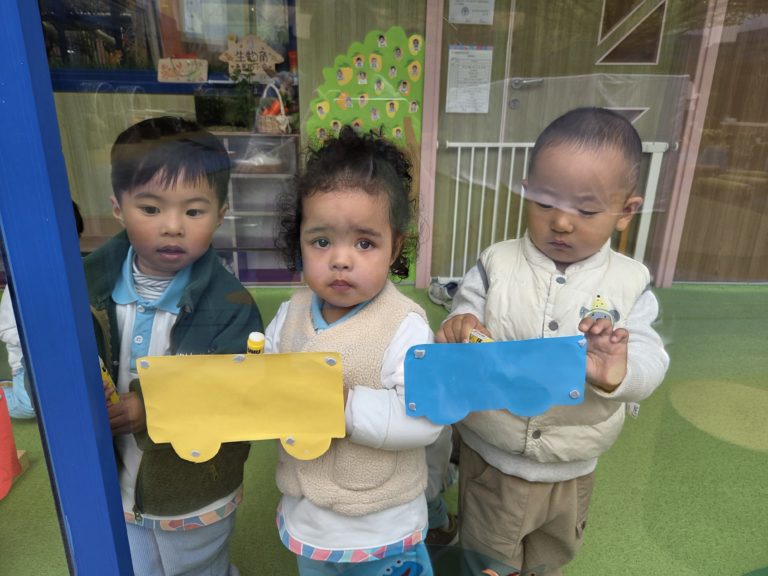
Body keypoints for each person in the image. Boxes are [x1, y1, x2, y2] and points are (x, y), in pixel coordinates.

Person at [436, 107, 670, 575]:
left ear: (625, 211)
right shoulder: (497, 263)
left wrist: (619, 373)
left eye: (586, 210)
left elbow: (650, 357)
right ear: (526, 191)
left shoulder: (630, 283)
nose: (561, 222)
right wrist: (461, 324)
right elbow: (464, 311)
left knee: (550, 560)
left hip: (573, 468)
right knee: (485, 561)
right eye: (544, 203)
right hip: (492, 459)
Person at [83, 116, 263, 576]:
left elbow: (240, 391)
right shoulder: (84, 287)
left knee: (198, 566)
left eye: (194, 212)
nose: (172, 226)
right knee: (137, 565)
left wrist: (153, 405)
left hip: (195, 485)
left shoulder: (231, 304)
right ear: (118, 208)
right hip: (117, 478)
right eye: (150, 209)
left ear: (221, 214)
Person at [266, 125, 443, 575]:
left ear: (395, 247)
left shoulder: (404, 325)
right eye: (321, 241)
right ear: (299, 240)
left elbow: (425, 420)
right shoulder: (290, 314)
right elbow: (265, 381)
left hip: (380, 522)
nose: (341, 260)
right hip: (309, 518)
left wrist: (344, 405)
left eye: (365, 243)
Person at [0, 200, 84, 419]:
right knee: (33, 406)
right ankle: (6, 393)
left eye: (70, 240)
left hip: (69, 358)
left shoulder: (79, 272)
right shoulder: (20, 282)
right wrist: (41, 339)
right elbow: (6, 330)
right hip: (29, 364)